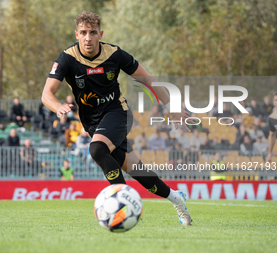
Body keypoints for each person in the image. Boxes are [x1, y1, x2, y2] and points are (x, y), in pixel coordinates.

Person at [41, 12, 192, 225]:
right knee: (139, 172)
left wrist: (172, 107)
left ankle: (123, 205)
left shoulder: (115, 54)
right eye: (83, 33)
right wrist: (58, 106)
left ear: (100, 34)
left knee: (96, 149)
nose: (88, 38)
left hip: (118, 113)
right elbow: (46, 93)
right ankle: (176, 198)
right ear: (76, 35)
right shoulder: (67, 58)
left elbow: (148, 79)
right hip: (93, 124)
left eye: (93, 33)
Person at [266, 93, 277, 163]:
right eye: (276, 100)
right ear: (273, 102)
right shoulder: (272, 118)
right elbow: (272, 135)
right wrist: (269, 153)